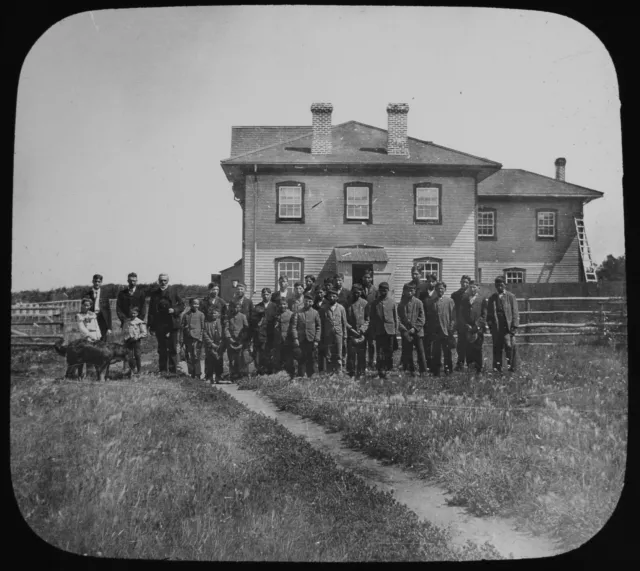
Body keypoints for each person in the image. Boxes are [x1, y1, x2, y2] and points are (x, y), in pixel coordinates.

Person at [147, 273, 185, 375]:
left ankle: (173, 371)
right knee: (162, 349)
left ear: (168, 281)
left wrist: (175, 309)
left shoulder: (173, 291)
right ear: (158, 281)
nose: (163, 282)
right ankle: (163, 370)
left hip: (172, 324)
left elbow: (182, 305)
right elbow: (151, 310)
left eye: (165, 280)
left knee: (172, 348)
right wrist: (150, 325)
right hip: (160, 324)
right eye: (161, 280)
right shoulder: (155, 294)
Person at [486, 276, 519, 372]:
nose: (499, 287)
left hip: (507, 328)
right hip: (497, 328)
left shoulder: (510, 296)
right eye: (497, 285)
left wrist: (514, 326)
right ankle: (497, 370)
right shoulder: (492, 298)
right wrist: (491, 327)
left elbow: (515, 312)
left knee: (510, 347)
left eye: (501, 285)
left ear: (505, 285)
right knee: (497, 347)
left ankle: (512, 369)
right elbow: (489, 315)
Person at [425, 282, 456, 377]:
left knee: (447, 352)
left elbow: (453, 317)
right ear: (435, 290)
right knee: (436, 352)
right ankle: (436, 371)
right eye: (438, 288)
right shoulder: (431, 301)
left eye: (442, 288)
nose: (440, 290)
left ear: (445, 290)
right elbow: (429, 317)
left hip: (446, 330)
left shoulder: (449, 301)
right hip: (435, 332)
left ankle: (448, 370)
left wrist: (451, 328)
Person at [369, 282, 398, 379]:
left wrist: (395, 332)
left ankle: (388, 370)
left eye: (385, 290)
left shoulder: (392, 302)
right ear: (379, 291)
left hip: (390, 331)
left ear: (388, 291)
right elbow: (372, 319)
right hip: (379, 331)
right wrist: (373, 332)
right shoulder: (375, 303)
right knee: (379, 352)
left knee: (389, 351)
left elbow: (395, 318)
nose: (383, 292)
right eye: (381, 290)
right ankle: (380, 371)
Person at [397, 283, 427, 376]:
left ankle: (423, 370)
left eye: (411, 291)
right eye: (407, 291)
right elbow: (398, 318)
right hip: (406, 332)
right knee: (407, 351)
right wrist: (404, 329)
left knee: (420, 351)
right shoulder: (401, 304)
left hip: (417, 332)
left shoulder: (419, 302)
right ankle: (411, 370)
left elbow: (422, 318)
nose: (409, 293)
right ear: (404, 291)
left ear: (414, 291)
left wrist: (415, 328)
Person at [461, 280, 488, 375]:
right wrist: (466, 325)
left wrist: (477, 326)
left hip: (478, 328)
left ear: (478, 288)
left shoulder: (482, 299)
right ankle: (470, 368)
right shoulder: (465, 299)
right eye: (471, 287)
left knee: (477, 348)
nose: (472, 289)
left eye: (474, 287)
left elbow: (484, 315)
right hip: (468, 328)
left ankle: (479, 369)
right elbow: (462, 314)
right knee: (468, 348)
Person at [292, 293, 321, 377]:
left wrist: (316, 340)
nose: (307, 303)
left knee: (311, 359)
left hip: (311, 339)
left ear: (312, 303)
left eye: (309, 301)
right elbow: (294, 327)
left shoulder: (315, 313)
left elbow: (319, 327)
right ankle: (301, 376)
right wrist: (295, 338)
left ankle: (310, 376)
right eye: (306, 301)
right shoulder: (298, 312)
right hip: (301, 339)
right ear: (303, 302)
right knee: (301, 359)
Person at [345, 284, 370, 379]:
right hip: (351, 333)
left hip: (361, 334)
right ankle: (350, 373)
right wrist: (351, 329)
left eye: (358, 292)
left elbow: (368, 319)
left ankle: (361, 372)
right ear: (352, 292)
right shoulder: (347, 303)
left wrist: (362, 329)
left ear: (361, 292)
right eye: (354, 292)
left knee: (361, 354)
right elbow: (344, 320)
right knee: (351, 354)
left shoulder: (365, 303)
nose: (356, 294)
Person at [322, 289, 348, 374]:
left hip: (339, 333)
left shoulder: (341, 308)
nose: (332, 298)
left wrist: (345, 335)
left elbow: (344, 323)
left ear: (337, 298)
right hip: (328, 333)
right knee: (329, 352)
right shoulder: (324, 308)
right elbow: (322, 322)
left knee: (339, 352)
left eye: (334, 296)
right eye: (330, 296)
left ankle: (339, 371)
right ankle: (329, 371)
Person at [252, 287, 277, 374]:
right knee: (260, 354)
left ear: (270, 295)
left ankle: (269, 372)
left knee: (269, 353)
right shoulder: (257, 306)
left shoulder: (274, 306)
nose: (265, 296)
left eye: (267, 294)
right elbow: (253, 321)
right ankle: (261, 372)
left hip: (271, 334)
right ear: (261, 295)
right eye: (264, 294)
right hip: (260, 334)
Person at [270, 294, 296, 377]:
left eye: (284, 304)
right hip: (277, 340)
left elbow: (293, 327)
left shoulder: (291, 314)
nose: (282, 306)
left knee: (289, 359)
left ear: (287, 305)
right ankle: (279, 375)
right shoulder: (275, 314)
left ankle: (290, 375)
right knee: (277, 358)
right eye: (281, 304)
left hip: (287, 340)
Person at [225, 301, 249, 382]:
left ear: (240, 308)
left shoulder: (243, 316)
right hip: (231, 341)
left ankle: (240, 375)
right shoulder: (229, 317)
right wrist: (229, 338)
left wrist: (242, 339)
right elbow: (226, 328)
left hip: (240, 341)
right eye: (235, 307)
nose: (236, 309)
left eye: (238, 307)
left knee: (240, 358)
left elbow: (246, 329)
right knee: (231, 359)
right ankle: (233, 374)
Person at [451, 275, 471, 371]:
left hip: (470, 324)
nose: (464, 284)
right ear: (460, 282)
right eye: (463, 282)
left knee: (470, 344)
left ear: (469, 283)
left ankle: (471, 364)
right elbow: (454, 310)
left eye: (466, 282)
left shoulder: (472, 294)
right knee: (461, 344)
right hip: (460, 323)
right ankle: (460, 363)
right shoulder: (455, 295)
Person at [181, 298, 205, 379]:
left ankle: (198, 374)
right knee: (188, 356)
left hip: (197, 338)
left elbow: (203, 327)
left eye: (197, 304)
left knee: (196, 356)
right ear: (190, 304)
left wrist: (200, 338)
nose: (196, 305)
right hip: (188, 338)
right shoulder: (186, 315)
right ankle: (192, 373)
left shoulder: (201, 314)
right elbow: (182, 327)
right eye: (194, 303)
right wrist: (183, 339)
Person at [83, 274, 112, 341]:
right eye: (95, 281)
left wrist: (109, 327)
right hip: (91, 318)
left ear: (101, 282)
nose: (97, 283)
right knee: (92, 339)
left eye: (99, 282)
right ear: (93, 281)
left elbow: (108, 311)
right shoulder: (88, 294)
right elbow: (84, 308)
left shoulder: (105, 294)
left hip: (102, 318)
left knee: (103, 339)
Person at [203, 306, 226, 384]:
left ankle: (218, 377)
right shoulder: (207, 323)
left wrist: (221, 343)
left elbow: (224, 333)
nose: (213, 314)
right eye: (212, 313)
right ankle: (209, 377)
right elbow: (205, 333)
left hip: (219, 345)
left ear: (219, 314)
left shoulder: (222, 323)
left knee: (219, 361)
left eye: (215, 313)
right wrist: (211, 343)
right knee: (209, 361)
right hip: (210, 345)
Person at [122, 305, 148, 377]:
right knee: (128, 356)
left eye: (134, 313)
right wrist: (124, 338)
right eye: (132, 313)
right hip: (128, 340)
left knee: (137, 355)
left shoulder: (140, 322)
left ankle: (139, 371)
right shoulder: (127, 321)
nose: (133, 315)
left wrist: (138, 337)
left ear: (137, 314)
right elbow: (124, 331)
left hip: (136, 341)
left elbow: (144, 333)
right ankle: (130, 370)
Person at [361, 270, 378, 369]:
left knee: (371, 342)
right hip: (362, 318)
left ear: (371, 278)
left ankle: (372, 361)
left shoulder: (375, 290)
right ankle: (363, 362)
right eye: (365, 277)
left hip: (371, 319)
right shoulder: (360, 288)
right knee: (363, 342)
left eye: (368, 277)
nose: (367, 279)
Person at [422, 273, 439, 371]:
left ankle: (435, 365)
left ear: (436, 282)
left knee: (435, 346)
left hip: (435, 324)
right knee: (426, 345)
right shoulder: (422, 294)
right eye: (428, 281)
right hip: (425, 324)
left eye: (433, 281)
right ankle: (427, 365)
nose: (431, 283)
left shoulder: (437, 294)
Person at [312, 291, 327, 372]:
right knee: (315, 349)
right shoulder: (314, 303)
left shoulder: (327, 303)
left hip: (325, 328)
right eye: (318, 292)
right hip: (316, 327)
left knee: (323, 349)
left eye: (321, 292)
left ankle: (323, 369)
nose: (319, 294)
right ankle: (315, 369)